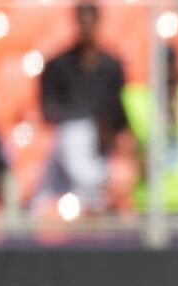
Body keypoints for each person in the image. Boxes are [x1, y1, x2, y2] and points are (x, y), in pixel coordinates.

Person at [37, 0, 127, 211]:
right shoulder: (57, 64)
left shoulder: (112, 65)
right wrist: (82, 120)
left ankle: (98, 199)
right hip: (66, 141)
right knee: (75, 134)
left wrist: (105, 130)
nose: (85, 26)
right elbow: (48, 110)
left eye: (90, 20)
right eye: (81, 20)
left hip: (103, 145)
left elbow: (119, 113)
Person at [121, 48, 178, 212]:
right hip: (149, 199)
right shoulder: (136, 100)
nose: (168, 75)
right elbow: (124, 145)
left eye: (171, 68)